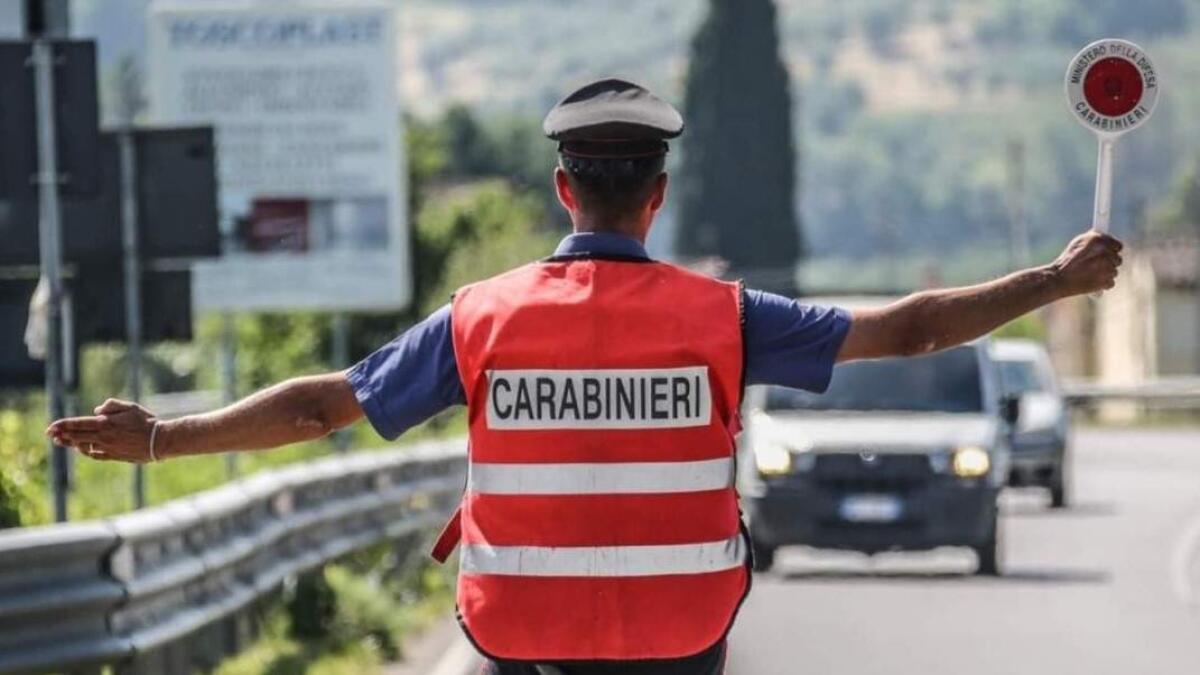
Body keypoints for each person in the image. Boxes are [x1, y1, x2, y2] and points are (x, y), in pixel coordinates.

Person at [47, 78, 1123, 675]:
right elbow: (914, 329)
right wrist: (1058, 279)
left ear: (565, 190)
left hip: (519, 637)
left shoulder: (481, 318)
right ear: (658, 196)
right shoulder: (726, 317)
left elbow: (324, 403)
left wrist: (165, 437)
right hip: (680, 637)